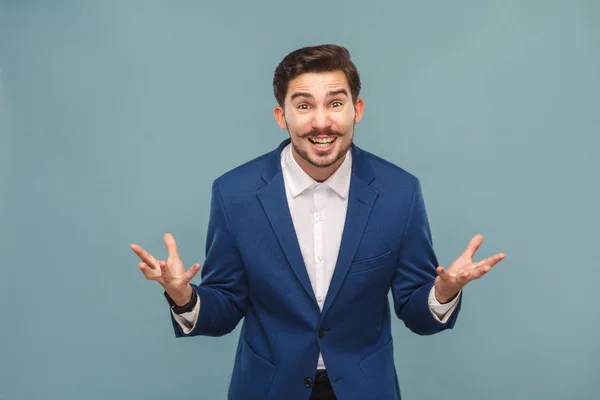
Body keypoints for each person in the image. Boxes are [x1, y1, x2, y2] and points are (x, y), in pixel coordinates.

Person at [130, 44, 505, 400]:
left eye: (335, 103)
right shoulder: (234, 194)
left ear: (356, 109)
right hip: (268, 388)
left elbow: (416, 311)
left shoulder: (399, 192)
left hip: (365, 389)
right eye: (304, 105)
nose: (321, 122)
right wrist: (183, 296)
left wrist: (443, 292)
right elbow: (226, 306)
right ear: (282, 116)